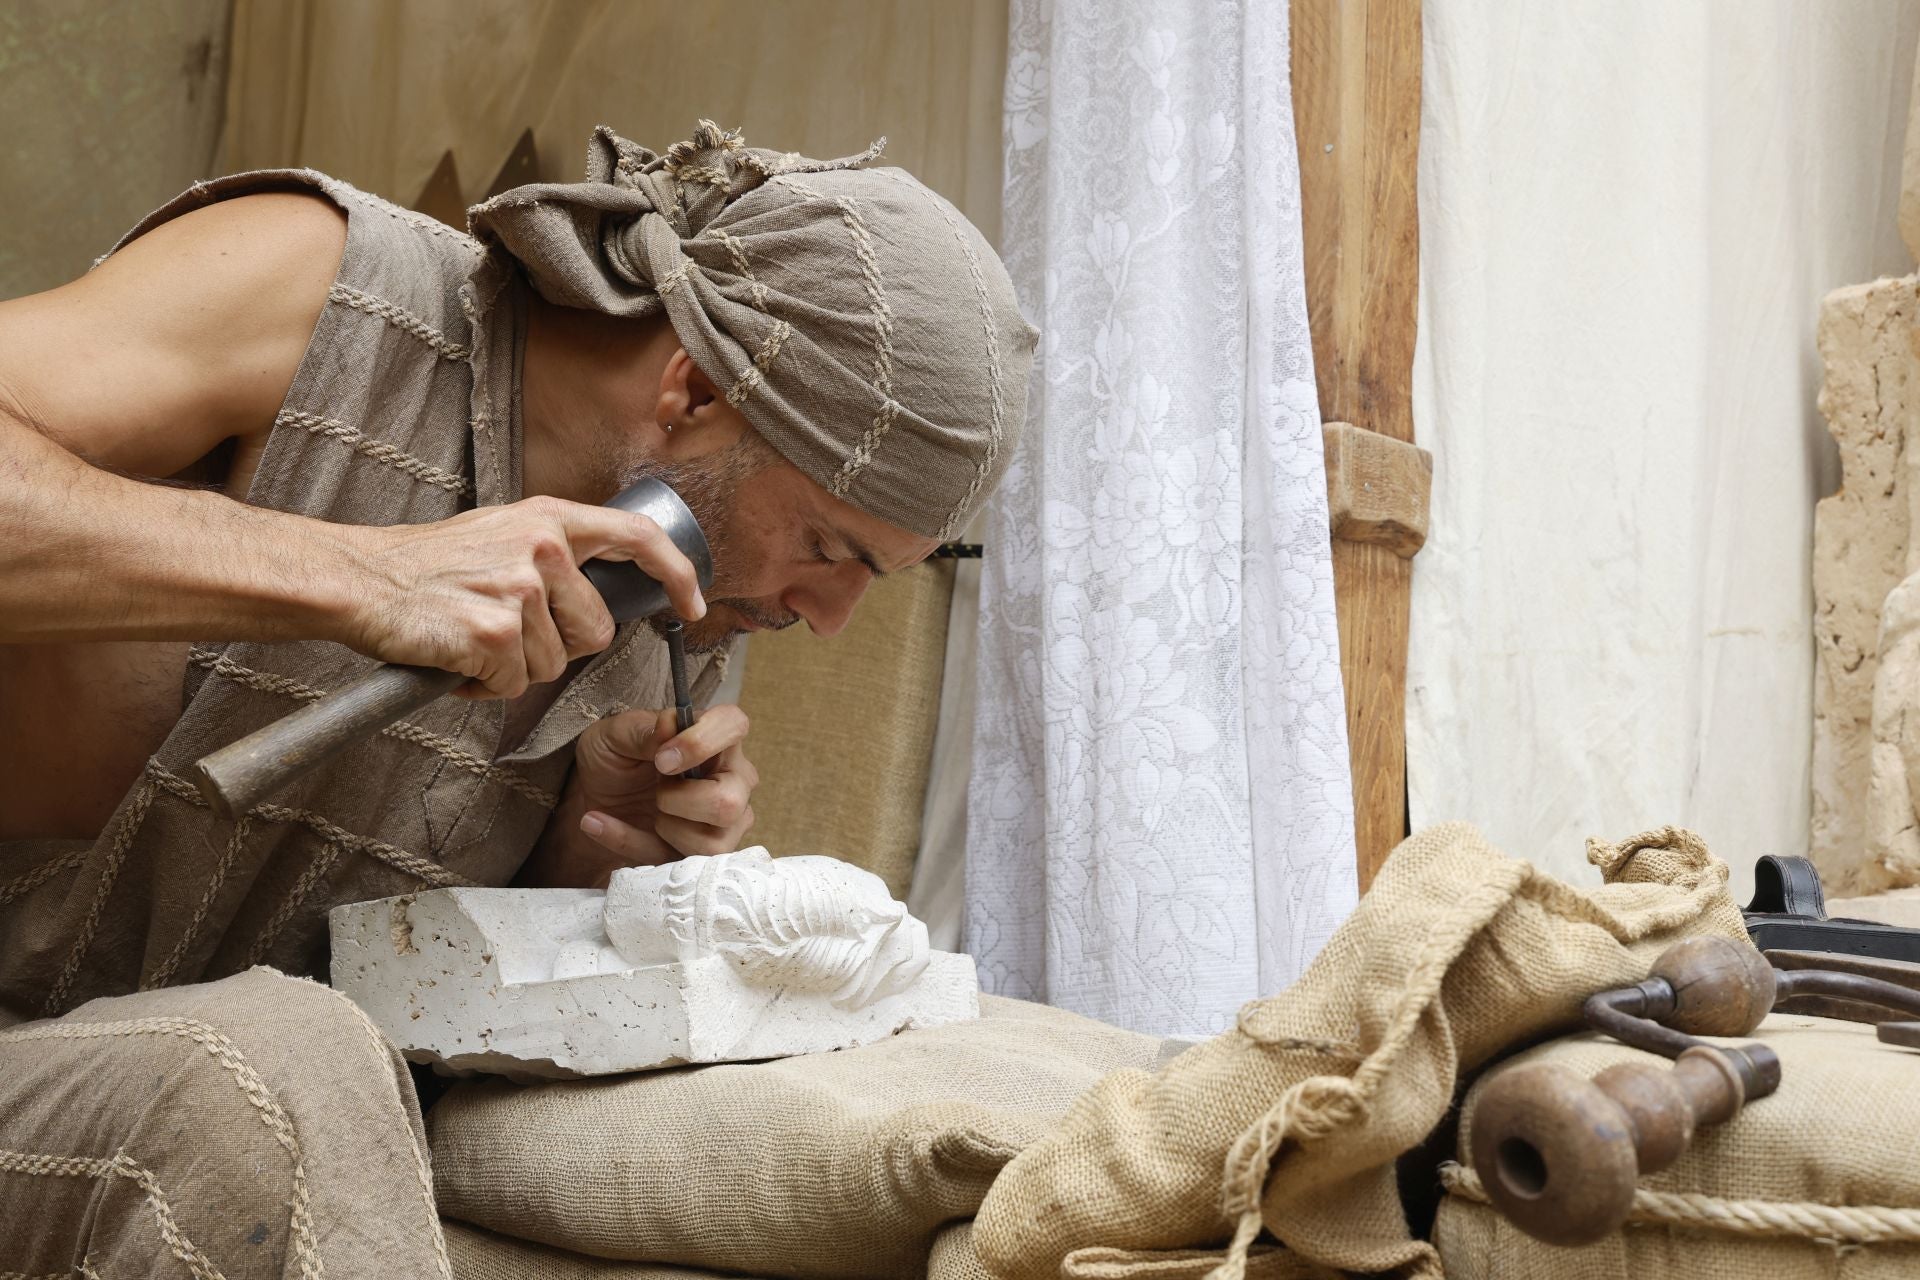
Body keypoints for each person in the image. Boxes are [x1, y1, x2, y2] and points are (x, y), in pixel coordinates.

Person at [0, 122, 1034, 1276]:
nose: (831, 617)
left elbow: (390, 969)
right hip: (81, 1068)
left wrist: (582, 856)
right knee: (272, 1064)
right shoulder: (316, 283)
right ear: (694, 388)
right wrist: (370, 576)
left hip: (193, 1114)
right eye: (828, 547)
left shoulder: (675, 597)